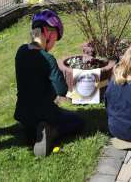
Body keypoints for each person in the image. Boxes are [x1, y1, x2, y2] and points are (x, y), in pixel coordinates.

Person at [14, 9, 85, 157]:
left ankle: (32, 132)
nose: (53, 44)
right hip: (44, 112)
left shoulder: (20, 52)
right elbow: (61, 90)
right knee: (77, 121)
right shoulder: (48, 59)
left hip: (22, 113)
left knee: (33, 118)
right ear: (47, 32)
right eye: (54, 39)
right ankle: (51, 131)